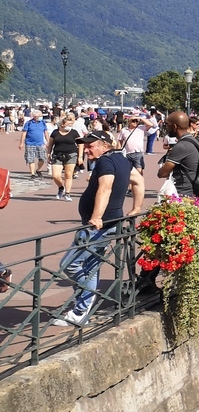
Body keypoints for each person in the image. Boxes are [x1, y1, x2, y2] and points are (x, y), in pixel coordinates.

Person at [53, 130, 144, 327]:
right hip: (110, 222)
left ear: (104, 145)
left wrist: (96, 216)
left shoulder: (105, 161)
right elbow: (138, 181)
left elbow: (105, 187)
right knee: (92, 268)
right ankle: (81, 310)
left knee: (70, 264)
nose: (86, 150)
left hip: (99, 225)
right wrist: (136, 207)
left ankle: (85, 303)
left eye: (90, 145)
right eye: (85, 145)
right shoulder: (123, 160)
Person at [157, 111, 199, 198]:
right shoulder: (192, 140)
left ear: (175, 126)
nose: (166, 127)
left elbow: (162, 173)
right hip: (191, 188)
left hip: (181, 191)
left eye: (167, 124)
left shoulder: (181, 146)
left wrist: (161, 169)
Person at [46, 114, 83, 201]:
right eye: (68, 124)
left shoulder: (74, 132)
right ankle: (61, 187)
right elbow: (50, 144)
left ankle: (67, 193)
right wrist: (48, 153)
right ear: (62, 124)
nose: (70, 126)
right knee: (55, 175)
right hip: (57, 155)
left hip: (71, 155)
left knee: (68, 175)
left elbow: (80, 144)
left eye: (71, 124)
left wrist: (80, 157)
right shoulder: (55, 132)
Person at [20, 109, 50, 179]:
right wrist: (21, 142)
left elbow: (45, 132)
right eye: (39, 116)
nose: (40, 117)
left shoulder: (42, 123)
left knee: (42, 158)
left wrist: (48, 141)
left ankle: (38, 170)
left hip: (40, 143)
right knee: (31, 159)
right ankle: (32, 174)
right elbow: (24, 133)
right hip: (30, 143)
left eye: (40, 116)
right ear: (35, 116)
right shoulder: (29, 123)